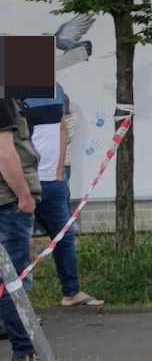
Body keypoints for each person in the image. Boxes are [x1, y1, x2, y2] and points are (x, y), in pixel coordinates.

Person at [22, 83, 96, 308]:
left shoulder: (55, 89)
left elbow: (61, 128)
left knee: (64, 235)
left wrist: (58, 171)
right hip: (24, 182)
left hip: (52, 180)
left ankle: (71, 292)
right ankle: (19, 309)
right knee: (19, 244)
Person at [0, 90, 41, 361]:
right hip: (7, 201)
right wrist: (24, 196)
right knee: (12, 280)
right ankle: (24, 352)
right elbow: (5, 153)